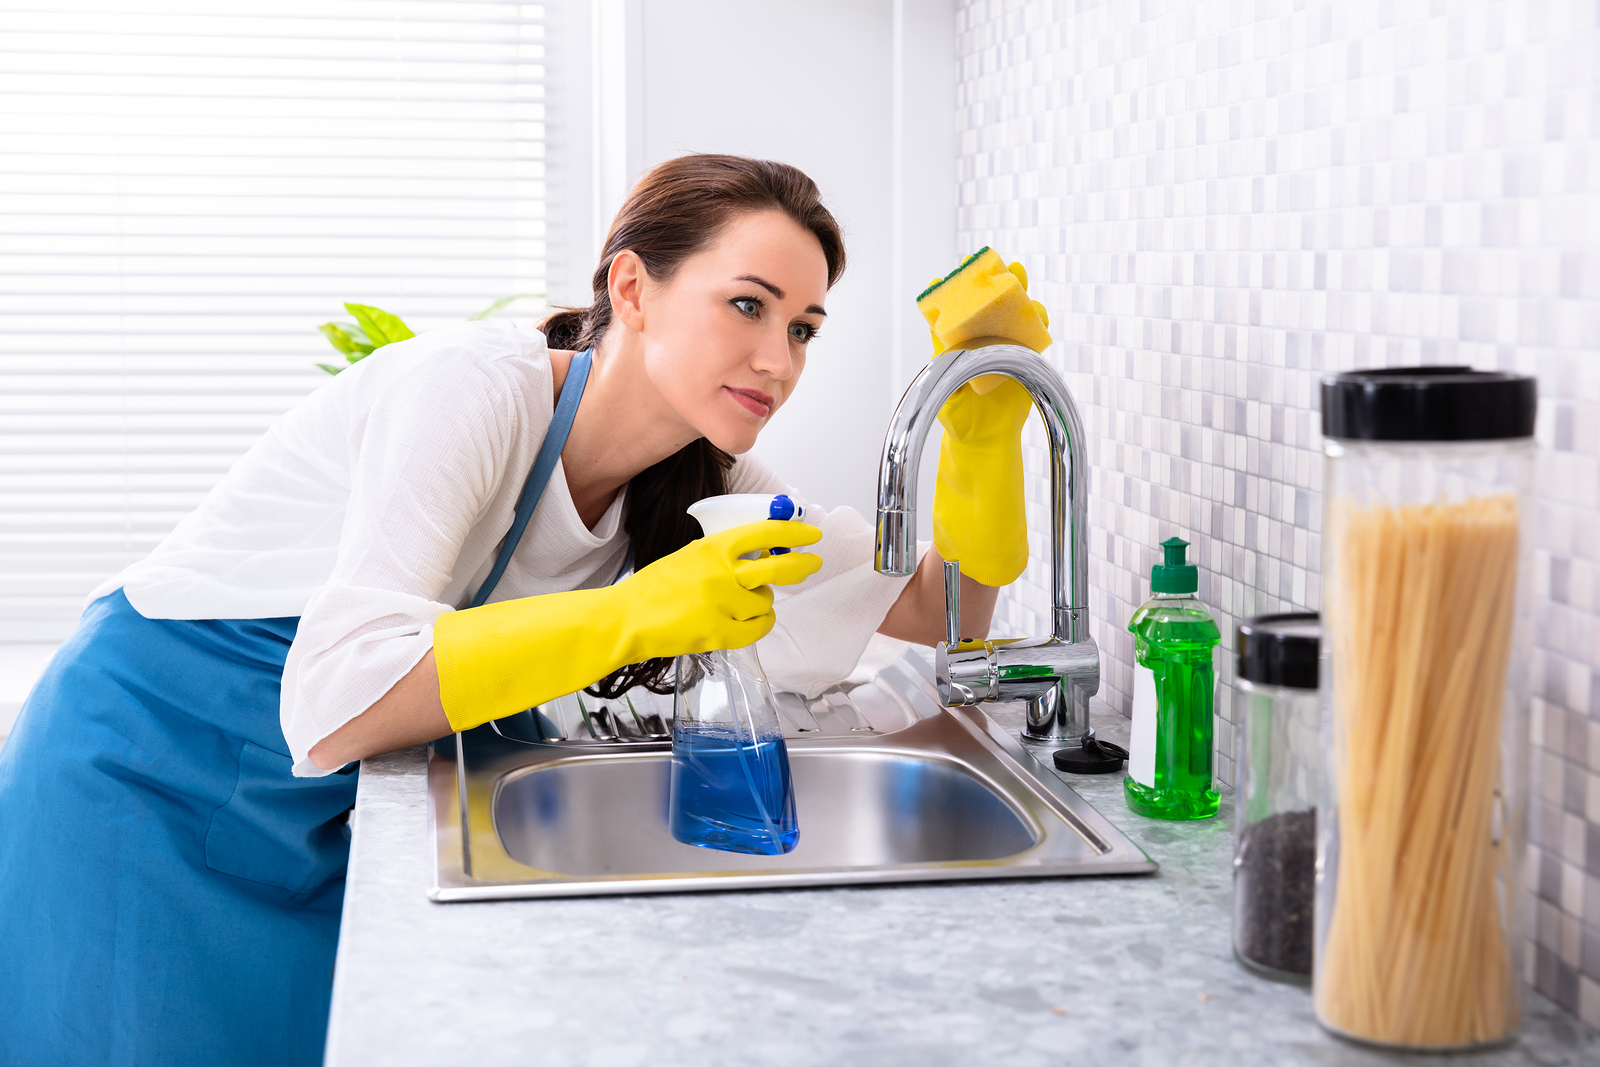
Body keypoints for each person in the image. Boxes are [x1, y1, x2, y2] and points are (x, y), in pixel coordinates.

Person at [0, 154, 1023, 1067]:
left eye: (802, 327)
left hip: (302, 806)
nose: (780, 359)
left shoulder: (707, 478)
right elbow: (336, 697)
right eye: (748, 306)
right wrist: (641, 610)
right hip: (141, 769)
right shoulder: (472, 390)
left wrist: (984, 430)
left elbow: (939, 611)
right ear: (633, 286)